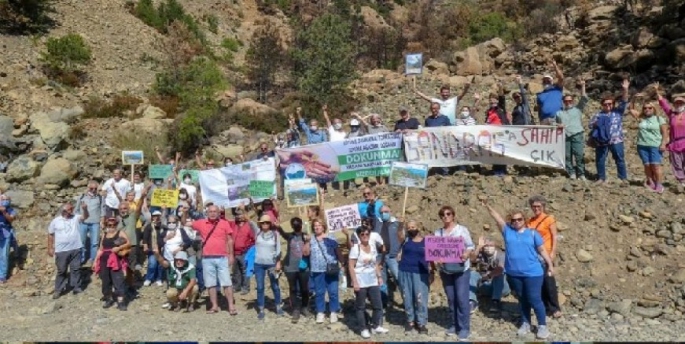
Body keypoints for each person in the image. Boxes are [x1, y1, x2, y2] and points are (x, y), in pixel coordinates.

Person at [483, 200, 554, 340]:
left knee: (534, 298)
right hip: (514, 273)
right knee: (523, 299)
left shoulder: (533, 234)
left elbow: (542, 250)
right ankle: (526, 323)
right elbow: (497, 218)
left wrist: (550, 265)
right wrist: (488, 207)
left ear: (524, 219)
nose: (516, 222)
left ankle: (542, 325)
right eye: (513, 220)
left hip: (533, 273)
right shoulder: (507, 232)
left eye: (519, 219)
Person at [435, 205, 475, 340]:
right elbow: (435, 251)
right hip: (446, 270)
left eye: (448, 214)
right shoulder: (438, 233)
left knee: (462, 299)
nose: (446, 217)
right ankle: (454, 324)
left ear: (453, 215)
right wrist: (437, 259)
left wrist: (466, 254)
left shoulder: (462, 230)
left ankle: (464, 328)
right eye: (443, 215)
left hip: (461, 269)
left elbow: (470, 246)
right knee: (451, 299)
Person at [192, 205, 237, 315]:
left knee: (226, 282)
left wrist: (231, 255)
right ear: (207, 212)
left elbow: (230, 240)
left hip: (222, 257)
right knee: (210, 283)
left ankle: (231, 306)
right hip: (207, 258)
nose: (212, 213)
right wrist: (183, 213)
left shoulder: (224, 223)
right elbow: (185, 223)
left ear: (218, 213)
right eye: (210, 211)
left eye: (215, 211)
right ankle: (214, 306)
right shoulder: (202, 223)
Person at [349, 225, 388, 338]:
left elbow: (375, 263)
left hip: (372, 280)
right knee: (361, 306)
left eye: (367, 234)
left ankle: (376, 326)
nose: (365, 236)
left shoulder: (372, 246)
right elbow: (351, 266)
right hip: (360, 280)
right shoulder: (355, 248)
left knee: (378, 305)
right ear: (359, 236)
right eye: (362, 234)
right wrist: (354, 282)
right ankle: (363, 328)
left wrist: (379, 276)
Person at [588, 79, 630, 183]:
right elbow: (590, 125)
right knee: (600, 160)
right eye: (605, 104)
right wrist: (596, 124)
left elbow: (624, 101)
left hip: (616, 140)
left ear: (613, 104)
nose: (608, 106)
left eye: (610, 104)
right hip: (601, 141)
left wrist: (625, 89)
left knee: (619, 159)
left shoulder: (618, 112)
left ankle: (622, 178)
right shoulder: (598, 115)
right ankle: (601, 177)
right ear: (602, 105)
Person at [526, 195, 562, 319]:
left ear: (543, 206)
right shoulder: (530, 221)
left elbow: (554, 236)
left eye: (538, 206)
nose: (536, 208)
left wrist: (553, 252)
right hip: (534, 255)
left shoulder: (549, 219)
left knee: (549, 281)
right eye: (534, 206)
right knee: (539, 281)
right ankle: (546, 307)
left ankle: (555, 307)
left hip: (545, 253)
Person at [397, 220, 432, 334]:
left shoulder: (426, 241)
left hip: (421, 273)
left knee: (420, 298)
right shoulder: (405, 240)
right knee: (407, 297)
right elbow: (399, 235)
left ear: (418, 227)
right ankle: (410, 320)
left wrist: (433, 272)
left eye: (413, 226)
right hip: (405, 271)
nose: (411, 229)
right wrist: (401, 224)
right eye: (409, 227)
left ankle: (421, 322)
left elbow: (432, 256)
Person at [48, 202, 88, 298]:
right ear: (64, 211)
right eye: (70, 209)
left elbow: (85, 217)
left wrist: (85, 209)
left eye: (72, 208)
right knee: (61, 270)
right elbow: (50, 234)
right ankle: (58, 289)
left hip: (76, 247)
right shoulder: (55, 221)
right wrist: (50, 247)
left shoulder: (75, 218)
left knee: (76, 268)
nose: (72, 210)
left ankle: (76, 287)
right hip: (61, 250)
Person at [629, 99, 669, 193]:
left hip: (655, 145)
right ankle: (651, 182)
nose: (647, 109)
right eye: (645, 108)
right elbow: (631, 109)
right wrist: (634, 97)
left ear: (654, 109)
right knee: (647, 165)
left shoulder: (659, 119)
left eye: (650, 108)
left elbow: (665, 133)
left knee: (655, 165)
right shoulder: (641, 117)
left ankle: (659, 184)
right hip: (642, 145)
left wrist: (663, 143)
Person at [277, 217, 311, 323]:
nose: (296, 225)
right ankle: (295, 309)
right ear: (292, 225)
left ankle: (304, 307)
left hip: (303, 266)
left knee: (304, 289)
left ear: (301, 224)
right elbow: (282, 233)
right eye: (294, 224)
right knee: (293, 289)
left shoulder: (306, 236)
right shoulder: (290, 236)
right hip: (290, 267)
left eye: (298, 223)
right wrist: (278, 227)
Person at [309, 218, 343, 324]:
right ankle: (320, 312)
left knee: (333, 291)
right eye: (315, 225)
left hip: (331, 268)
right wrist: (306, 242)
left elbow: (337, 250)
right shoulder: (311, 239)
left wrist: (343, 263)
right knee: (319, 292)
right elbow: (305, 253)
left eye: (319, 225)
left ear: (323, 226)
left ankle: (333, 311)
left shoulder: (331, 237)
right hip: (317, 269)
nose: (317, 227)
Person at [94, 217, 131, 311]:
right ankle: (108, 298)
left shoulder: (120, 233)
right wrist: (95, 261)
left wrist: (119, 248)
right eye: (109, 225)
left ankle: (121, 301)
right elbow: (101, 249)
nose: (112, 227)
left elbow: (128, 243)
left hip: (115, 259)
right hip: (104, 260)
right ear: (106, 225)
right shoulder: (104, 234)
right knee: (105, 280)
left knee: (118, 279)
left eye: (114, 225)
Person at [555, 79, 589, 180]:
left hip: (577, 134)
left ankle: (581, 173)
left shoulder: (578, 109)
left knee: (579, 155)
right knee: (567, 156)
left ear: (572, 101)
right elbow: (554, 123)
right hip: (565, 136)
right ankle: (571, 172)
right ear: (563, 102)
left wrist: (583, 86)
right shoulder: (559, 113)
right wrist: (558, 125)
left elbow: (584, 98)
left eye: (570, 101)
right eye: (566, 101)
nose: (568, 102)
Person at [469, 236, 510, 314]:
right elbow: (472, 259)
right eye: (486, 246)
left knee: (499, 275)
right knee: (472, 274)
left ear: (495, 246)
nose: (488, 248)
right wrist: (478, 247)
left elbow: (500, 269)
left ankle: (495, 302)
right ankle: (471, 301)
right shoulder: (481, 254)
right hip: (485, 285)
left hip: (500, 287)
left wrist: (488, 276)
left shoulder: (501, 255)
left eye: (491, 246)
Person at [254, 215, 283, 319]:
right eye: (263, 223)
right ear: (260, 224)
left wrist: (278, 263)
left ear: (270, 224)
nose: (265, 224)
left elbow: (278, 249)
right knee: (260, 287)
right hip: (258, 263)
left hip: (271, 263)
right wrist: (243, 209)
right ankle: (261, 309)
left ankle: (278, 306)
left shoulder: (275, 234)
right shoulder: (257, 232)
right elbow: (247, 220)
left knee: (275, 285)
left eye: (267, 222)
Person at [656, 86, 685, 186]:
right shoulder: (672, 114)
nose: (678, 104)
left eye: (681, 103)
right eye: (677, 103)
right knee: (676, 163)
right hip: (675, 143)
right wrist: (658, 92)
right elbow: (664, 105)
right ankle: (682, 181)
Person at [375, 206, 402, 310]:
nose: (384, 214)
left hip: (393, 256)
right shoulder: (377, 223)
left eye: (386, 212)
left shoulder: (397, 224)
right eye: (381, 212)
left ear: (391, 212)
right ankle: (384, 302)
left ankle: (407, 300)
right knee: (381, 280)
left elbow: (404, 238)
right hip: (379, 256)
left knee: (399, 278)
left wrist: (401, 251)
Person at [75, 181, 105, 267]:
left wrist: (102, 220)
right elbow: (76, 210)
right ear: (88, 188)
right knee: (81, 242)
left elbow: (103, 210)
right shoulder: (81, 197)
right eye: (91, 188)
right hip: (83, 223)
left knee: (95, 243)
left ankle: (93, 259)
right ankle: (81, 259)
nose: (93, 190)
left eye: (95, 189)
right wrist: (78, 219)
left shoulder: (100, 198)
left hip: (95, 223)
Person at [230, 208, 256, 295]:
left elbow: (254, 239)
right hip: (234, 252)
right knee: (235, 270)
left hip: (245, 252)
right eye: (237, 214)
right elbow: (224, 221)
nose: (239, 216)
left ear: (244, 215)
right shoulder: (234, 224)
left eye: (240, 214)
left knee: (245, 270)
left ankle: (245, 288)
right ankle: (236, 286)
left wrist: (250, 250)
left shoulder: (249, 225)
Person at [424, 103, 451, 176]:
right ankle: (435, 172)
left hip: (442, 142)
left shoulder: (445, 118)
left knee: (443, 158)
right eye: (433, 108)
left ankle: (446, 173)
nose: (434, 110)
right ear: (431, 109)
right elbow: (426, 130)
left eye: (436, 108)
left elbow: (450, 129)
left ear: (439, 109)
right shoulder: (428, 120)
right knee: (434, 157)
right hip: (432, 143)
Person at [142, 210, 166, 287]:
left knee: (160, 265)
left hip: (161, 249)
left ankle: (159, 279)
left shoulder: (163, 226)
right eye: (155, 216)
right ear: (152, 217)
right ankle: (149, 278)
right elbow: (145, 237)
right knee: (152, 264)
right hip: (152, 249)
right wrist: (145, 246)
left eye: (158, 216)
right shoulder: (149, 226)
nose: (157, 217)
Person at [536, 59, 565, 125]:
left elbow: (561, 78)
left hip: (556, 119)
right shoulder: (540, 95)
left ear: (552, 82)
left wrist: (555, 66)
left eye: (548, 81)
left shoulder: (557, 89)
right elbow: (539, 109)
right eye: (544, 81)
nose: (546, 82)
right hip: (544, 120)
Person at [0, 194, 18, 284]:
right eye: (2, 199)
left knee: (3, 255)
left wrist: (4, 212)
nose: (4, 200)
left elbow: (11, 219)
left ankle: (2, 275)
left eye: (6, 199)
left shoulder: (11, 210)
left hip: (5, 233)